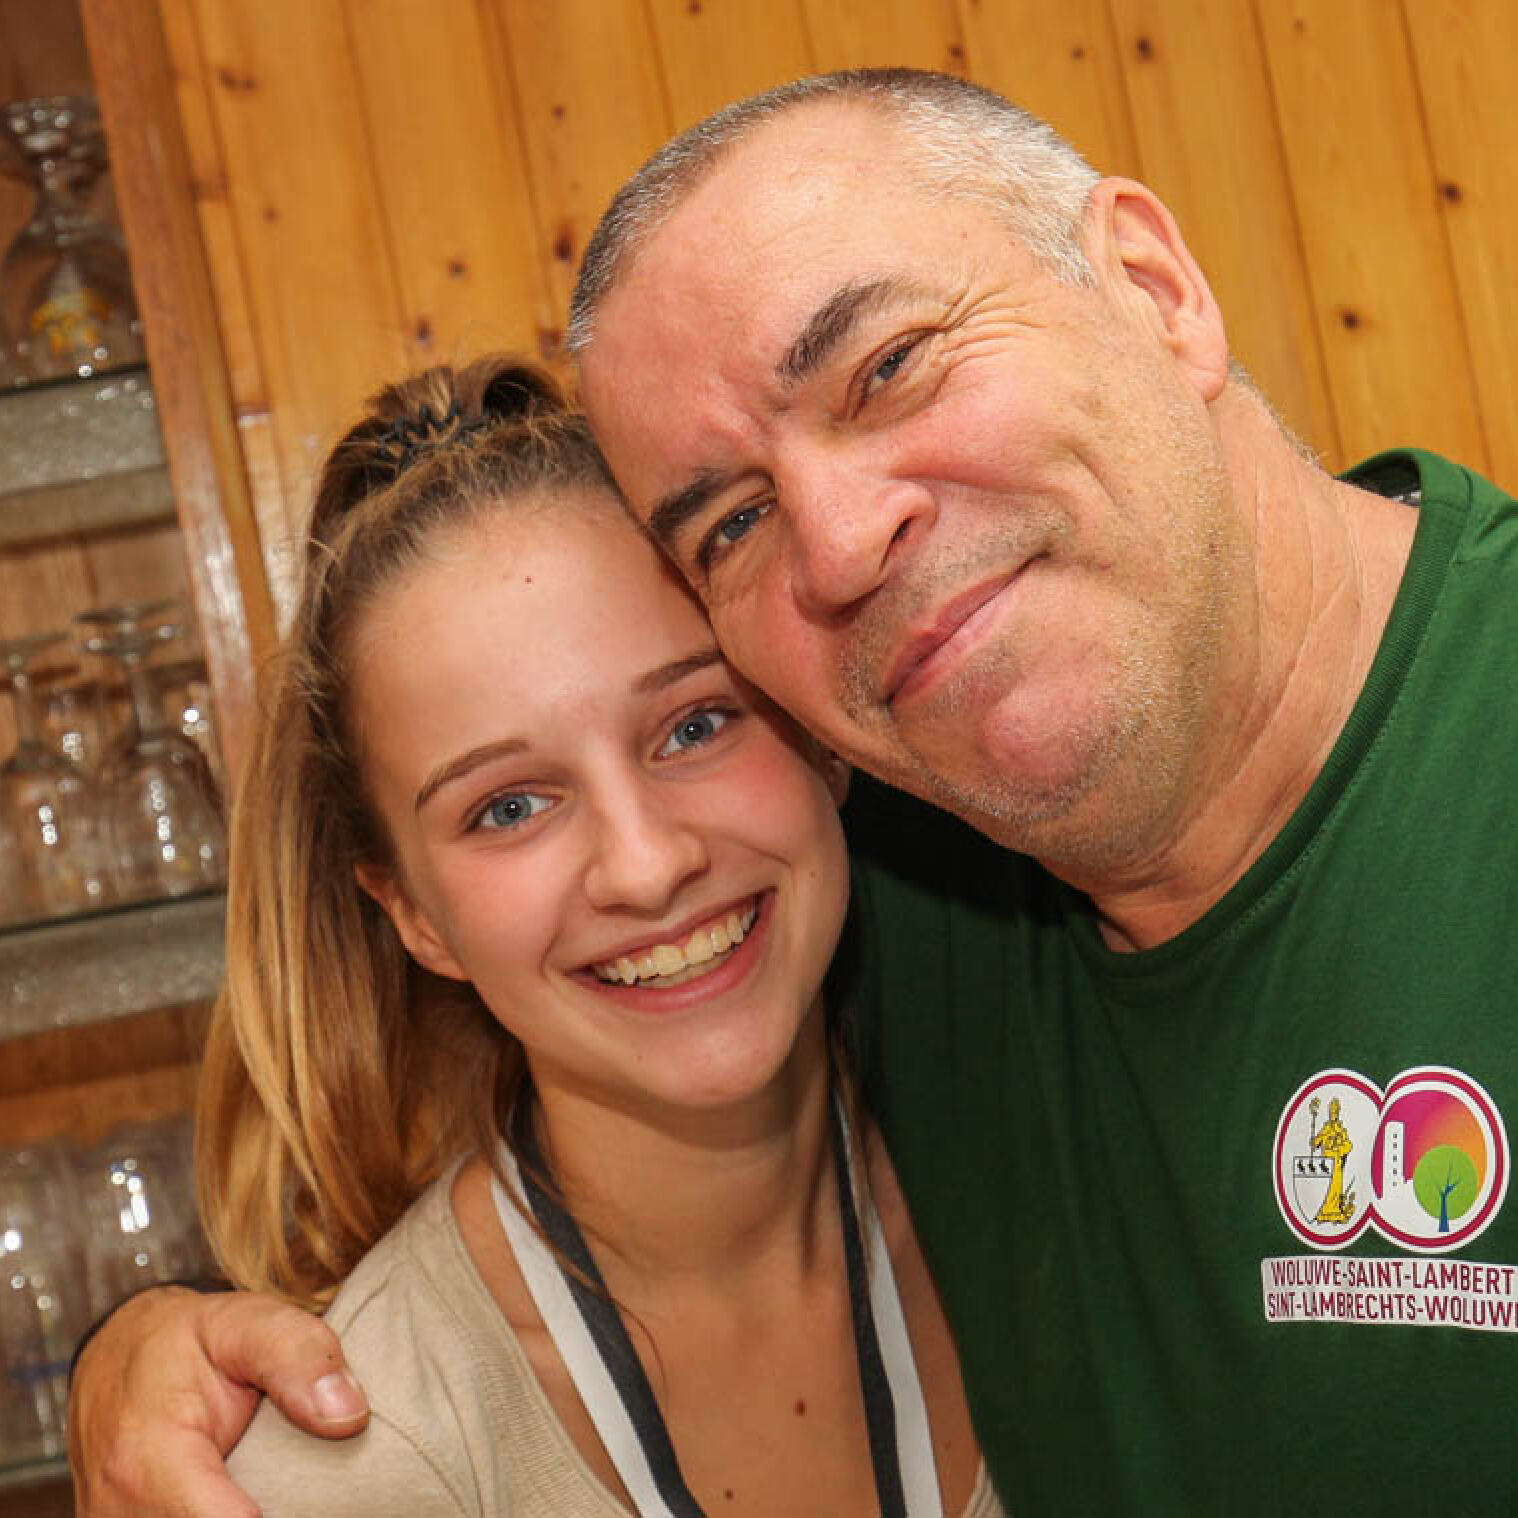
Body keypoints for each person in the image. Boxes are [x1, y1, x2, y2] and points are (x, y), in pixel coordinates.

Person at [70, 67, 1518, 1515]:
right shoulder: (917, 829)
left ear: (1153, 286)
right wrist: (128, 1355)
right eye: (736, 520)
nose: (838, 541)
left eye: (887, 367)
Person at [126, 352, 998, 1518]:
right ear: (415, 916)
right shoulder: (372, 1457)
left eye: (695, 725)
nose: (647, 864)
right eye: (509, 808)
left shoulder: (1029, 1165)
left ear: (815, 728)